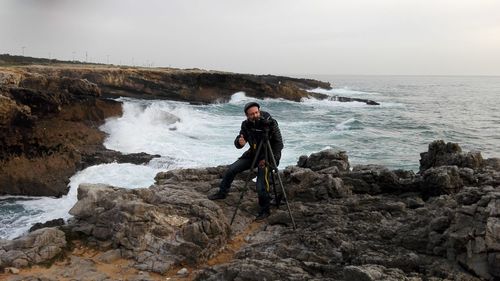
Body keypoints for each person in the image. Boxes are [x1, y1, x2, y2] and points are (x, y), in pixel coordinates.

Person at [208, 101, 284, 220]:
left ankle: (265, 210)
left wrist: (267, 159)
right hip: (253, 154)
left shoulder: (270, 123)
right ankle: (222, 193)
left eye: (256, 112)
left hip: (269, 156)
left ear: (259, 111)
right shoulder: (246, 124)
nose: (255, 115)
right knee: (232, 169)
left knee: (260, 185)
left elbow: (279, 144)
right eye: (252, 114)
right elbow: (240, 139)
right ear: (247, 116)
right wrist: (239, 142)